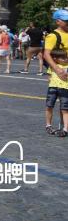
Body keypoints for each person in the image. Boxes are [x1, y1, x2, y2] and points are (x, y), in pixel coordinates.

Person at [43, 9, 68, 137]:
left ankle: (64, 127)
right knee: (51, 102)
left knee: (65, 103)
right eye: (66, 21)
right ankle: (49, 125)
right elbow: (46, 54)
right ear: (58, 21)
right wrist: (57, 70)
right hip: (56, 71)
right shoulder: (53, 36)